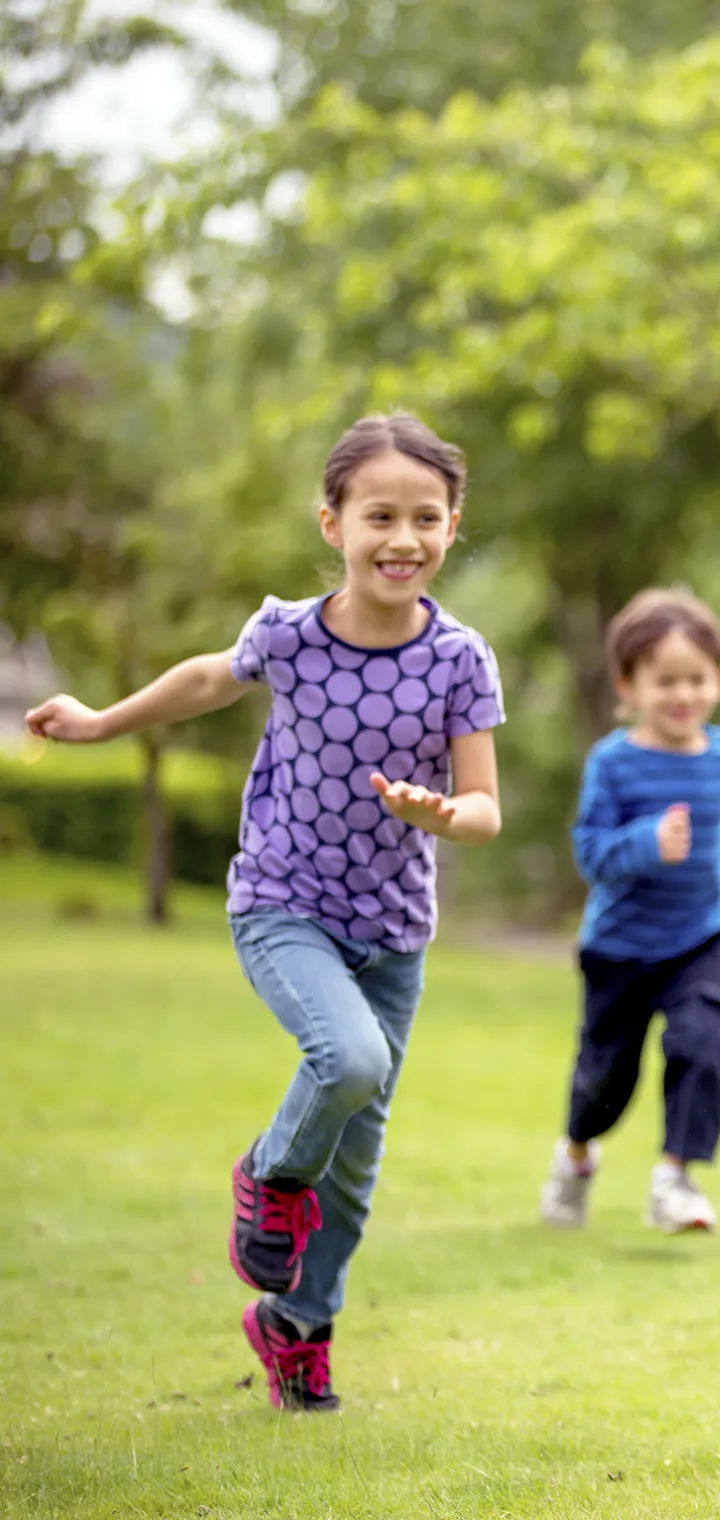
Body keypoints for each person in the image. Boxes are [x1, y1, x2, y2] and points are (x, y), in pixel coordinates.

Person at [24, 412, 506, 1414]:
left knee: (358, 1172)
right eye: (380, 514)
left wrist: (441, 813)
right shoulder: (290, 631)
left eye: (426, 516)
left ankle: (297, 1325)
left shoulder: (462, 659)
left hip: (394, 931)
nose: (402, 537)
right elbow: (211, 676)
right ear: (331, 522)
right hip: (283, 902)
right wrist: (104, 721)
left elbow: (484, 808)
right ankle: (267, 1171)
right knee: (351, 1059)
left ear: (454, 527)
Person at [537, 589, 720, 1235]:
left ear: (719, 680)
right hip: (618, 947)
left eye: (696, 679)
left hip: (696, 939)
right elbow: (590, 853)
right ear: (627, 685)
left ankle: (674, 1178)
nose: (682, 694)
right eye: (665, 681)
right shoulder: (614, 763)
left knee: (704, 1041)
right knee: (605, 1082)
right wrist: (645, 844)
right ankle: (575, 1157)